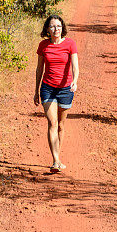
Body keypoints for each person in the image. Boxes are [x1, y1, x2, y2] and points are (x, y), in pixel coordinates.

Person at [33, 14, 79, 172]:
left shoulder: (70, 44)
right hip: (48, 88)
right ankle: (56, 160)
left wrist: (75, 80)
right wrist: (36, 91)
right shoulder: (43, 46)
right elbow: (40, 69)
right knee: (52, 123)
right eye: (52, 26)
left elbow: (75, 66)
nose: (56, 29)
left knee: (60, 125)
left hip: (66, 89)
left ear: (62, 28)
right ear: (47, 29)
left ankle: (58, 157)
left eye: (58, 26)